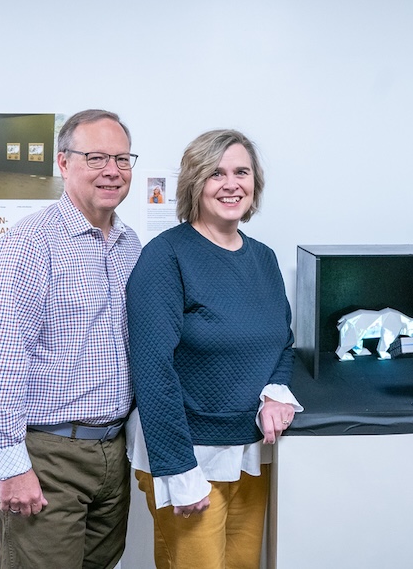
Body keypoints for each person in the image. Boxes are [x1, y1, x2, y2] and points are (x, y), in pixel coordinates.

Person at [0, 109, 142, 569]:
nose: (112, 170)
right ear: (64, 164)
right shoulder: (30, 244)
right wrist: (12, 466)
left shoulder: (131, 245)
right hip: (45, 454)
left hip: (112, 452)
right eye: (97, 157)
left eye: (123, 159)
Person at [125, 129, 300, 569]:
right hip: (188, 455)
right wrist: (177, 470)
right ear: (195, 184)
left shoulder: (263, 258)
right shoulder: (165, 257)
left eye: (241, 172)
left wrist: (276, 392)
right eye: (216, 173)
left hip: (249, 453)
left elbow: (284, 342)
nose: (231, 184)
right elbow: (152, 369)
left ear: (254, 182)